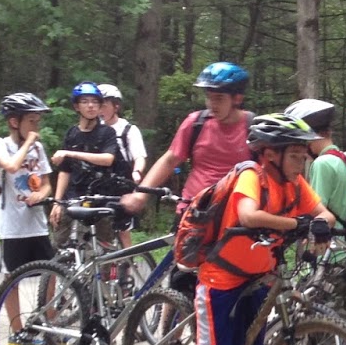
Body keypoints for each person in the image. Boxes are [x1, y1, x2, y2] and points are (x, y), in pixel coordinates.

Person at [184, 113, 335, 345]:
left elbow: (325, 214)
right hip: (222, 278)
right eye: (297, 155)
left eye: (304, 155)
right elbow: (249, 216)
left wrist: (318, 226)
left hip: (258, 277)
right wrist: (296, 224)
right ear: (271, 154)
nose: (303, 162)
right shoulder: (252, 176)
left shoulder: (295, 183)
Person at [123, 61, 251, 223]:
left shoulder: (252, 128)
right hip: (192, 210)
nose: (212, 104)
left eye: (219, 98)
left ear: (237, 99)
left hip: (235, 215)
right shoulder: (196, 123)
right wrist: (141, 195)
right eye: (209, 98)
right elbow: (169, 160)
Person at [287, 97, 346, 323]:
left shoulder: (322, 164)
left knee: (325, 334)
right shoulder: (341, 157)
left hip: (331, 255)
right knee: (345, 330)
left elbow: (315, 213)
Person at [0, 92, 55, 345]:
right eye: (31, 121)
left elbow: (47, 182)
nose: (36, 127)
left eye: (38, 121)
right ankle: (17, 332)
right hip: (12, 225)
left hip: (36, 222)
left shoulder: (39, 149)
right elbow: (10, 167)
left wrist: (41, 194)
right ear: (14, 122)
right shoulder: (0, 145)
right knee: (13, 278)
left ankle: (49, 326)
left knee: (52, 272)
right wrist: (28, 143)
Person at [50, 82, 119, 249]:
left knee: (103, 249)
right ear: (76, 106)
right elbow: (65, 171)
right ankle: (54, 275)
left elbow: (107, 159)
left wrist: (70, 153)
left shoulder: (107, 132)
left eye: (95, 102)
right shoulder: (72, 133)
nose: (91, 106)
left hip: (100, 198)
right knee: (59, 245)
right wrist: (57, 202)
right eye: (85, 101)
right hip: (73, 197)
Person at [99, 83, 146, 246]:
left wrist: (137, 172)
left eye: (104, 105)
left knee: (123, 230)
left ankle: (126, 265)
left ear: (116, 106)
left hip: (121, 185)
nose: (100, 110)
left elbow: (139, 156)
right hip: (98, 185)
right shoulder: (93, 130)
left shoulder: (128, 130)